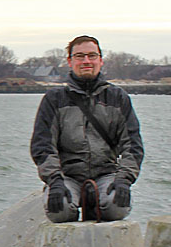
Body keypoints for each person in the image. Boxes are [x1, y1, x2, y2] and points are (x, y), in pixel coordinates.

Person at [30, 35, 143, 222]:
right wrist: (55, 180)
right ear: (70, 61)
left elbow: (132, 145)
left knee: (117, 208)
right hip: (67, 175)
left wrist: (124, 179)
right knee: (60, 210)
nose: (86, 61)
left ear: (101, 60)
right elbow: (42, 146)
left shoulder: (117, 97)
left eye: (91, 56)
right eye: (80, 56)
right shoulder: (54, 99)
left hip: (106, 172)